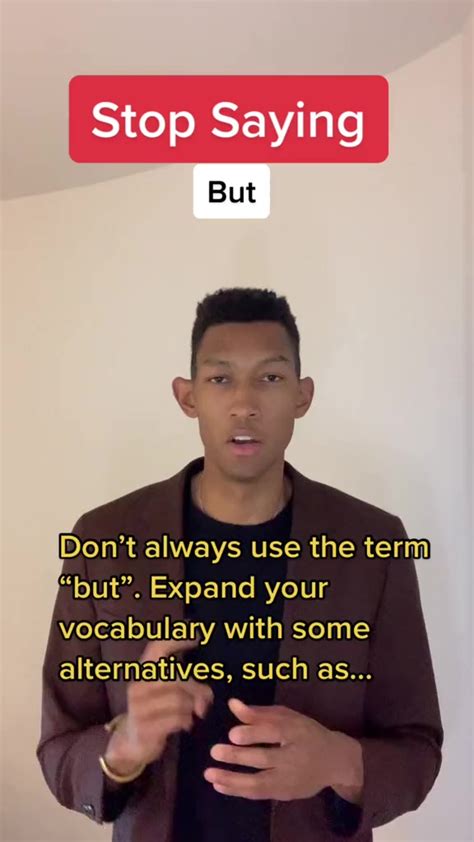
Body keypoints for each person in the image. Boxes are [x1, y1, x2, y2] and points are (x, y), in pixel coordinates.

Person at [37, 287, 443, 842]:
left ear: (302, 395)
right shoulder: (104, 540)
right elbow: (58, 747)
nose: (245, 403)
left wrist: (338, 761)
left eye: (270, 378)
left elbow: (417, 748)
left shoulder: (373, 544)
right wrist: (123, 748)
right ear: (188, 397)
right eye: (220, 378)